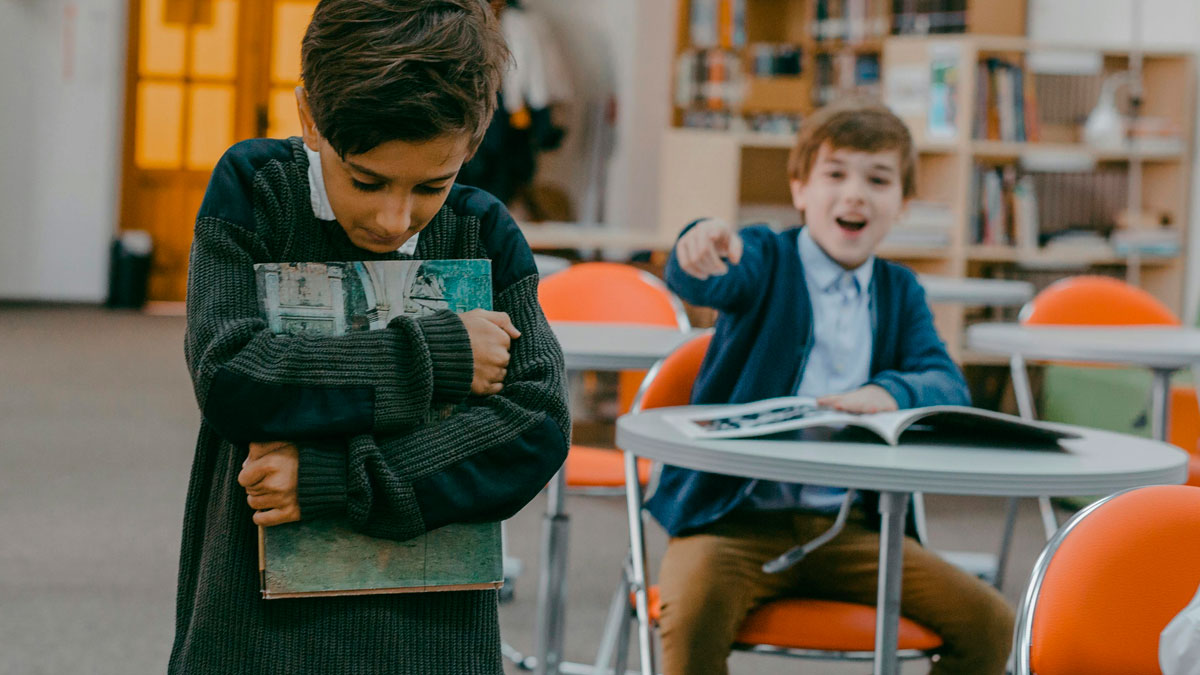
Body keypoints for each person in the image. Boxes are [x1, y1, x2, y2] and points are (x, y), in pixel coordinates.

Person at [169, 1, 570, 673]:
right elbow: (233, 375)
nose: (393, 217)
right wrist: (439, 354)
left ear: (472, 143)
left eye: (431, 185)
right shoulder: (256, 189)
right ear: (310, 118)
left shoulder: (482, 231)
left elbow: (536, 426)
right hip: (256, 636)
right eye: (366, 179)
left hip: (431, 643)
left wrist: (331, 478)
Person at [644, 98, 1014, 675]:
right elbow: (708, 279)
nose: (855, 194)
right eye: (835, 175)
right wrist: (698, 240)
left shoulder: (900, 292)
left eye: (878, 180)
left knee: (991, 624)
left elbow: (947, 384)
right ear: (799, 189)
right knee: (691, 623)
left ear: (903, 204)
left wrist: (891, 392)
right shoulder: (766, 257)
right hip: (734, 524)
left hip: (849, 530)